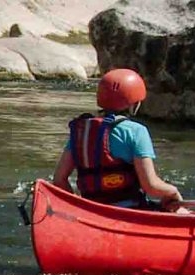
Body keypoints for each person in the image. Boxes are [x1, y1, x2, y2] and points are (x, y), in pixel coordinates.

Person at [52, 68, 182, 209]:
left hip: (92, 210)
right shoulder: (137, 131)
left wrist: (79, 207)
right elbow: (150, 186)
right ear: (135, 103)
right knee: (182, 213)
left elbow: (59, 180)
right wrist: (172, 192)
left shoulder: (81, 131)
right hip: (130, 211)